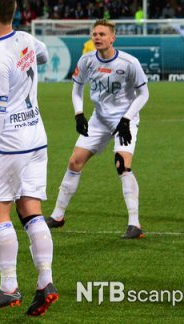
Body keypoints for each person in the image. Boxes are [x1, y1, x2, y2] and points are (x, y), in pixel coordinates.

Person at [0, 0, 58, 316]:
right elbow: (44, 55)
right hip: (37, 138)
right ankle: (45, 281)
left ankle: (9, 287)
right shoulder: (25, 40)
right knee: (31, 210)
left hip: (9, 145)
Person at [45, 19, 150, 239]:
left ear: (112, 38)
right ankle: (57, 216)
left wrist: (126, 118)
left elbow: (144, 94)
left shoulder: (129, 63)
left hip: (124, 119)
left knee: (122, 164)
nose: (97, 37)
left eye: (102, 34)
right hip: (99, 119)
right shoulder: (86, 61)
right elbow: (77, 89)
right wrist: (79, 113)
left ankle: (135, 224)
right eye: (94, 34)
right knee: (74, 162)